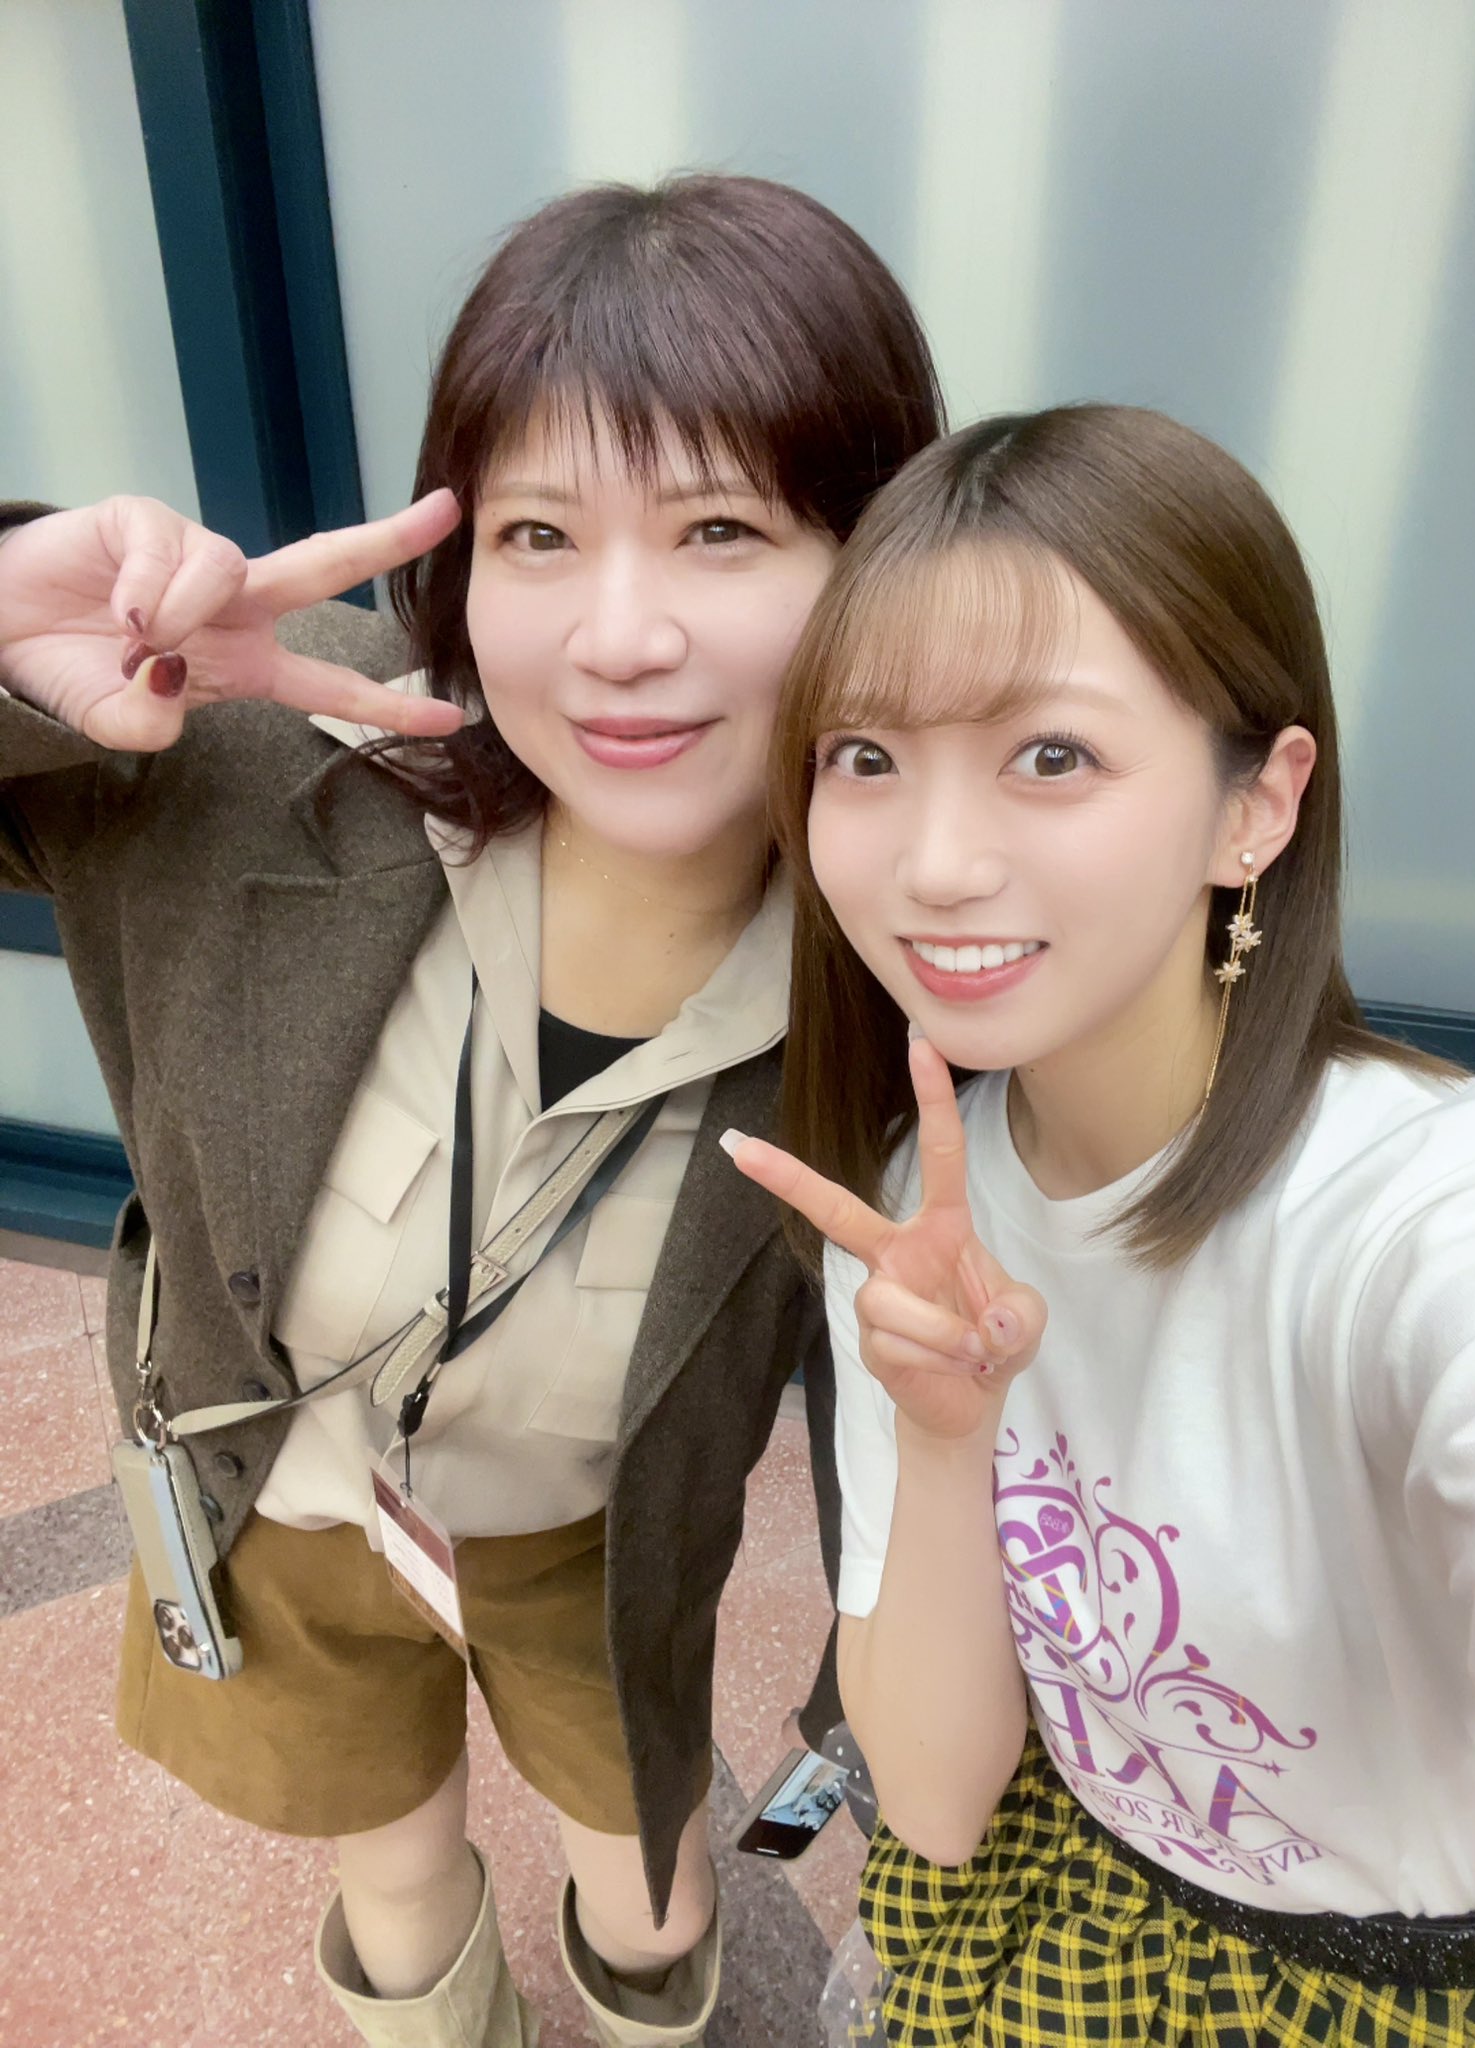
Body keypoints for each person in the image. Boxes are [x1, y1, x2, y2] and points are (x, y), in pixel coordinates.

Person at [0, 174, 943, 2047]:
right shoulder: (272, 742)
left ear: (877, 561)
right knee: (394, 1871)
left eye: (720, 530)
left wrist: (867, 1692)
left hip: (600, 1549)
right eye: (537, 533)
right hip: (280, 1486)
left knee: (656, 1892)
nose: (618, 636)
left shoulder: (913, 955)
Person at [727, 406, 1475, 2045]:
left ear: (1259, 805)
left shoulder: (1432, 1214)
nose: (934, 864)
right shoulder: (915, 1208)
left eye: (1051, 756)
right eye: (866, 756)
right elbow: (936, 1804)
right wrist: (944, 1436)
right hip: (1075, 1887)